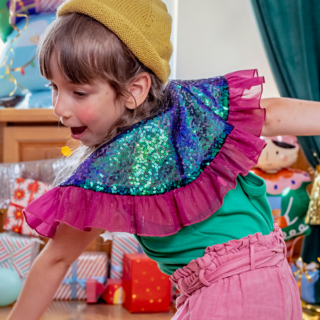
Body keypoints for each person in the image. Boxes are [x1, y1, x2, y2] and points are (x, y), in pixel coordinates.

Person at [7, 0, 320, 319]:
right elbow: (271, 115)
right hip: (268, 280)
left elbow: (55, 260)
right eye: (53, 87)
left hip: (231, 292)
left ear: (135, 90)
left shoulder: (126, 157)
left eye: (79, 92)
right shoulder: (190, 108)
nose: (59, 108)